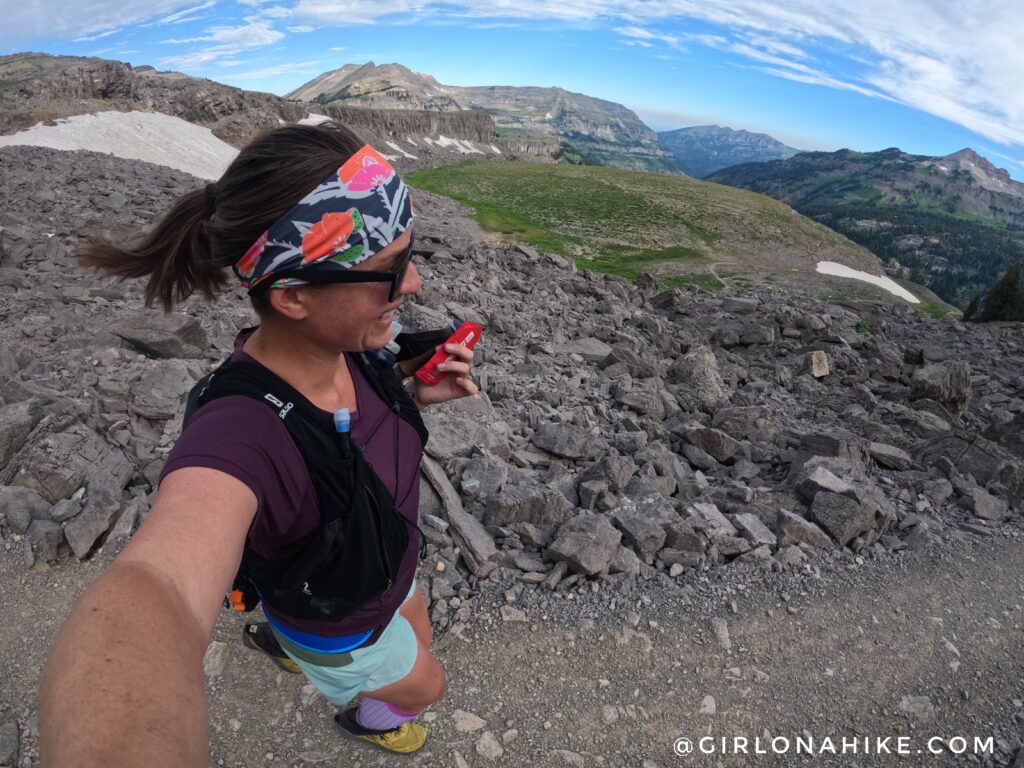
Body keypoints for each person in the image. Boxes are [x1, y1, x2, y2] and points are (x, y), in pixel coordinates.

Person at [39, 121, 478, 765]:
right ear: (294, 295)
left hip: (375, 573)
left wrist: (407, 395)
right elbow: (156, 582)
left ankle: (283, 636)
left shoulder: (358, 347)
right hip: (340, 621)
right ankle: (372, 718)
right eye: (390, 270)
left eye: (410, 258)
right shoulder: (239, 431)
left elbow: (345, 460)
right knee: (427, 682)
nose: (411, 286)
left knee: (415, 627)